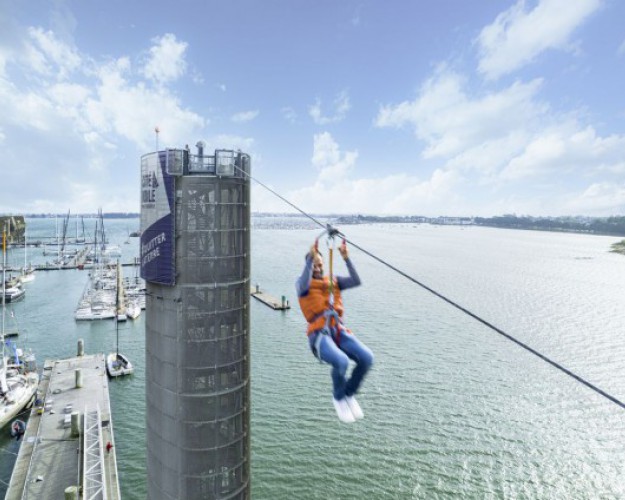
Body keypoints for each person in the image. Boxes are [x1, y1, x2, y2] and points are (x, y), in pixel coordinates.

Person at [296, 239, 374, 423]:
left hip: (338, 330)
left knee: (367, 358)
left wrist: (346, 258)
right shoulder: (302, 285)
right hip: (319, 335)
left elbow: (356, 280)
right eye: (314, 265)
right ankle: (339, 397)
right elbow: (303, 283)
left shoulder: (333, 281)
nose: (318, 268)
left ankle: (349, 393)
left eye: (320, 264)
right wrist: (310, 258)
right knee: (341, 361)